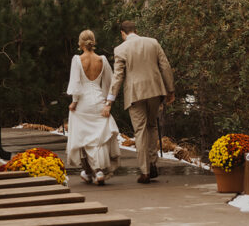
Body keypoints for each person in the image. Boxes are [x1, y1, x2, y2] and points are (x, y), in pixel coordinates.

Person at [102, 20, 175, 183]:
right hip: (155, 91)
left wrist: (110, 101)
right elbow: (165, 66)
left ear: (122, 33)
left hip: (135, 95)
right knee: (151, 126)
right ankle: (153, 163)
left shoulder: (121, 49)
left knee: (140, 130)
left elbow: (118, 76)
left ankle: (145, 171)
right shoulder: (153, 43)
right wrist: (170, 90)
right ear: (136, 30)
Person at [66, 29, 120, 185]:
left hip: (83, 102)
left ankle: (93, 171)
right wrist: (108, 103)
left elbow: (76, 82)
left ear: (80, 43)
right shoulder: (102, 59)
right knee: (98, 139)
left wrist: (74, 102)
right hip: (98, 101)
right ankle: (96, 172)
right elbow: (110, 84)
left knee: (82, 137)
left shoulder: (77, 59)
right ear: (93, 41)